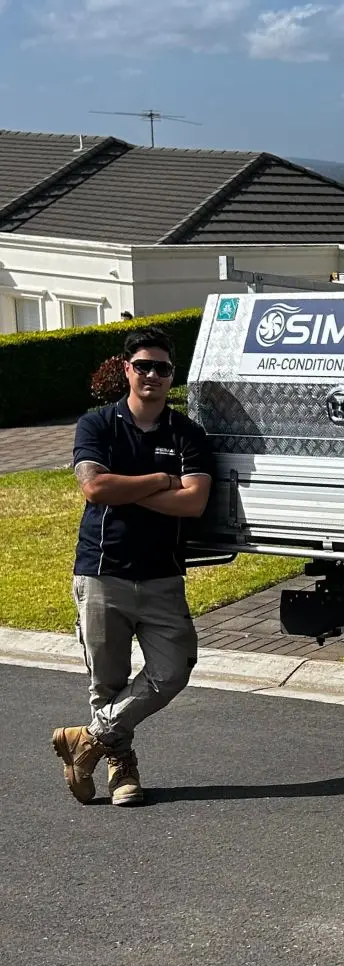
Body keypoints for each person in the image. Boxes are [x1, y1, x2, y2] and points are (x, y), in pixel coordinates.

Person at [52, 328, 213, 806]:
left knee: (174, 668)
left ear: (172, 375)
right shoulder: (97, 425)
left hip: (162, 575)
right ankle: (123, 771)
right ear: (126, 369)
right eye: (143, 365)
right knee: (107, 680)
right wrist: (162, 480)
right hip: (102, 573)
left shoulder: (187, 433)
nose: (152, 375)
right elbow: (95, 490)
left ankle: (85, 740)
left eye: (162, 368)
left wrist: (131, 490)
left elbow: (195, 503)